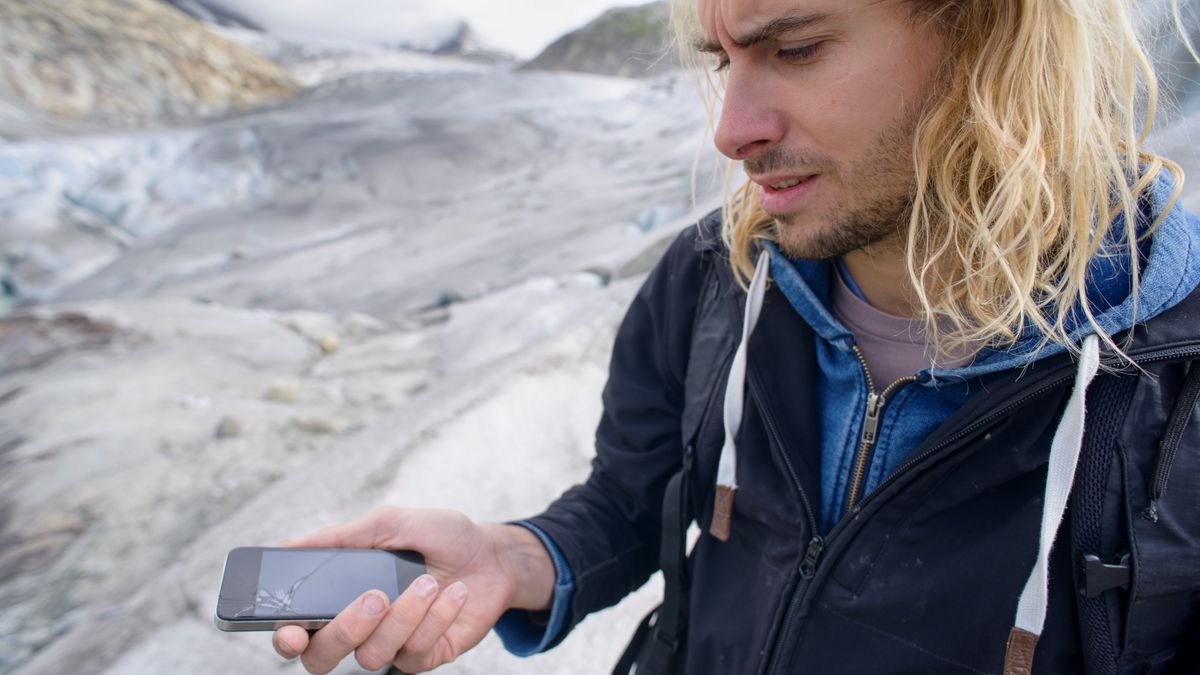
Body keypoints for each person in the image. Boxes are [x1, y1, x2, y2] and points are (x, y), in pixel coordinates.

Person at [269, 0, 1200, 673]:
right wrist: (517, 558)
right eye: (724, 60)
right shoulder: (714, 277)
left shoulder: (1176, 371)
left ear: (982, 33)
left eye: (793, 48)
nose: (731, 130)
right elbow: (633, 502)